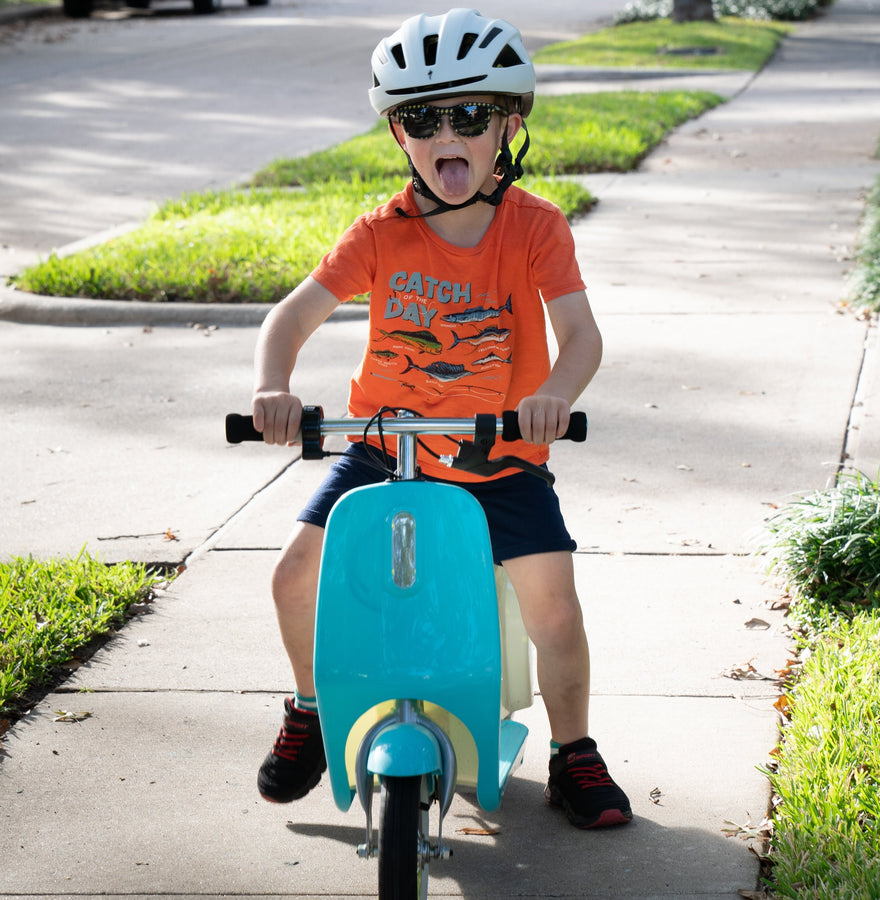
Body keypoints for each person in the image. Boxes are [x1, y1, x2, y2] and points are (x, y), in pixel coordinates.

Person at [250, 8, 632, 830]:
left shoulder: (536, 229)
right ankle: (311, 709)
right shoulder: (380, 233)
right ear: (398, 133)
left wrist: (555, 392)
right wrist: (272, 386)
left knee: (554, 608)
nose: (446, 134)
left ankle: (574, 752)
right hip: (383, 452)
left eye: (470, 115)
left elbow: (580, 334)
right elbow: (289, 317)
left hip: (499, 458)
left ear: (509, 125)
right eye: (423, 118)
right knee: (293, 577)